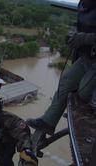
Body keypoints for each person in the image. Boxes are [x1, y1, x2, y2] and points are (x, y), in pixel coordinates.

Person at [27, 0, 96, 135]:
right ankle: (48, 122)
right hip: (86, 57)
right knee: (66, 82)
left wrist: (86, 38)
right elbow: (82, 27)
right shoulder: (83, 5)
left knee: (83, 91)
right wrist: (75, 37)